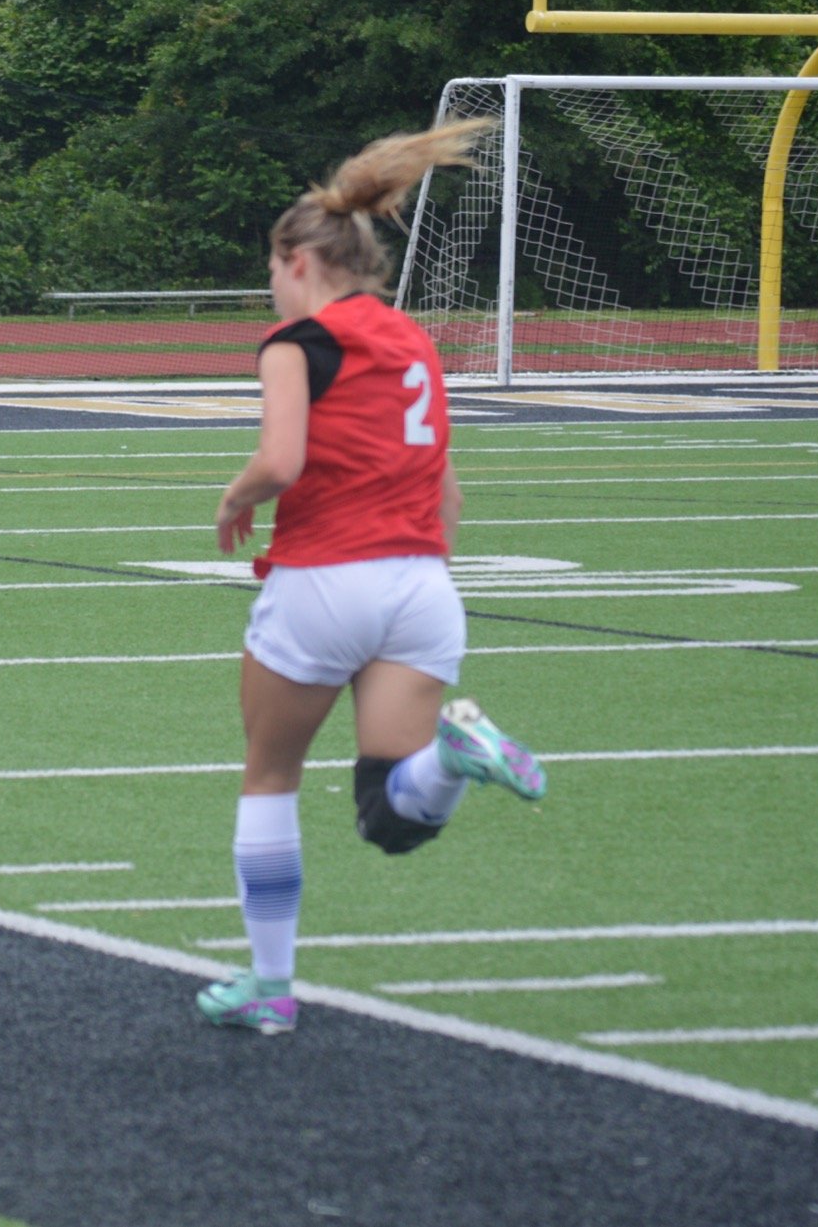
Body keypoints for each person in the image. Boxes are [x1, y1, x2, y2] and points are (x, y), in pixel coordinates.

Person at [196, 121, 547, 1036]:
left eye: (272, 270)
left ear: (297, 261)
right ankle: (455, 756)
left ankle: (270, 987)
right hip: (422, 586)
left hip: (325, 578)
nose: (271, 289)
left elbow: (281, 460)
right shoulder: (413, 340)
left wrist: (233, 497)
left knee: (270, 775)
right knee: (391, 810)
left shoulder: (297, 340)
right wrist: (421, 568)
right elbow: (448, 488)